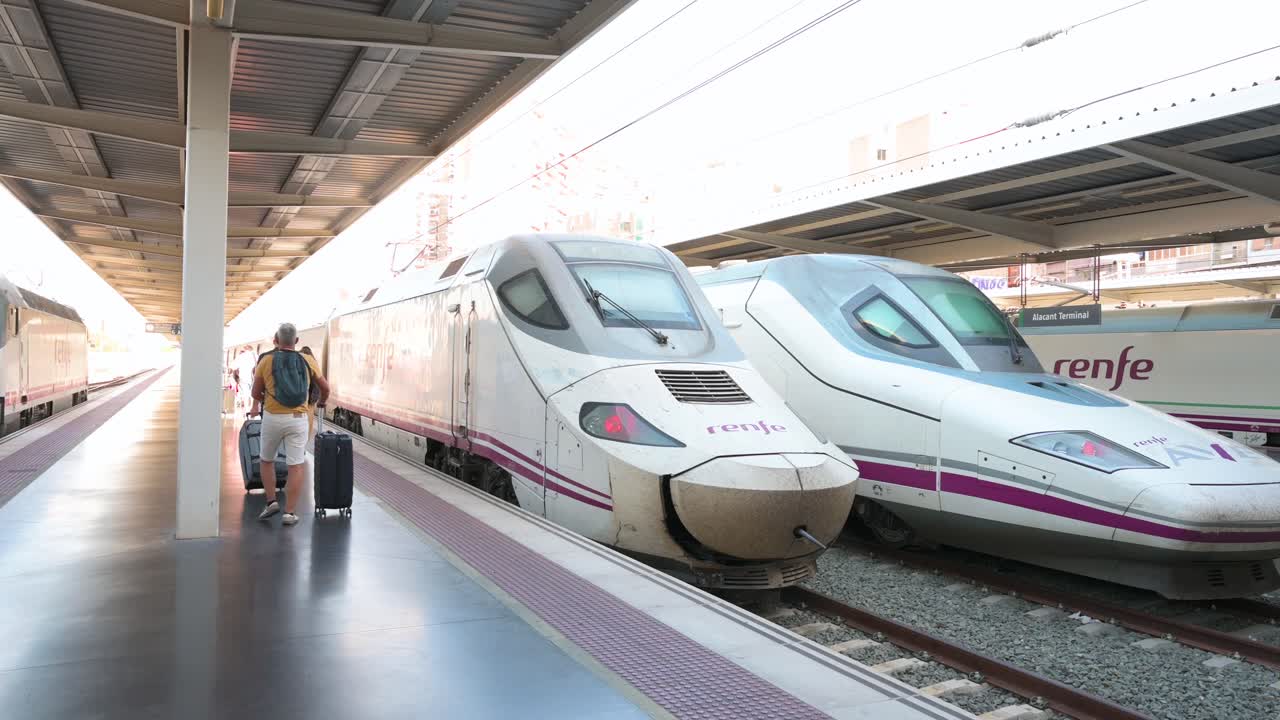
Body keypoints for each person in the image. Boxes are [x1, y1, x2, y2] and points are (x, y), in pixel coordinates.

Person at [250, 323, 330, 526]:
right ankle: (290, 513)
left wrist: (268, 400)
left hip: (272, 418)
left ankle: (271, 502)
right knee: (295, 465)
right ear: (296, 341)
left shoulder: (266, 360)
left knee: (266, 460)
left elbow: (255, 393)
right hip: (298, 418)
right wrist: (321, 402)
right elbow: (325, 388)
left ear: (275, 341)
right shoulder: (307, 360)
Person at [299, 345, 322, 453]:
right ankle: (302, 450)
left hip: (297, 404)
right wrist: (315, 401)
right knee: (307, 428)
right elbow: (321, 387)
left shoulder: (297, 363)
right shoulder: (313, 364)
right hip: (309, 405)